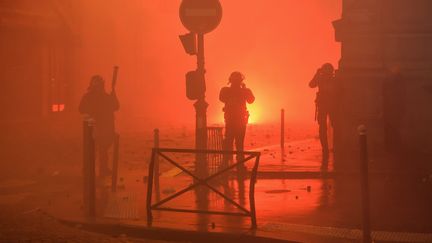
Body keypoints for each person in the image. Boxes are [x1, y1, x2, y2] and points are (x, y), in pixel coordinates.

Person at [79, 75, 119, 176]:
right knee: (92, 149)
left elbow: (116, 106)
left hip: (104, 126)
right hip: (92, 125)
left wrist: (113, 95)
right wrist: (91, 115)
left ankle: (102, 169)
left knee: (103, 149)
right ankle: (89, 169)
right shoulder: (88, 97)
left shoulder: (105, 97)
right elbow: (81, 109)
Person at [219, 72, 255, 173]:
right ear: (241, 80)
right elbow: (251, 100)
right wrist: (244, 90)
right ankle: (239, 166)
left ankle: (225, 164)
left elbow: (221, 98)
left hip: (232, 120)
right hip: (239, 121)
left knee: (228, 142)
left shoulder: (226, 90)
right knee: (239, 143)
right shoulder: (242, 91)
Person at [309, 63, 336, 164]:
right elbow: (311, 85)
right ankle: (327, 148)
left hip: (329, 106)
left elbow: (311, 84)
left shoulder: (330, 79)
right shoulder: (323, 79)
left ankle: (327, 148)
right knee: (325, 128)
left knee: (330, 127)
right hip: (325, 106)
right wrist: (317, 74)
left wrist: (317, 74)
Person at [382, 66, 406, 153]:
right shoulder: (396, 81)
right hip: (392, 108)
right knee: (394, 127)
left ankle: (394, 147)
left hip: (393, 108)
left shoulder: (391, 81)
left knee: (394, 127)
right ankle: (394, 147)